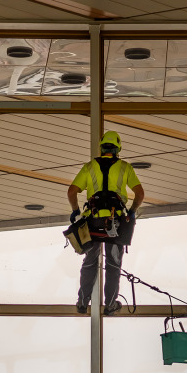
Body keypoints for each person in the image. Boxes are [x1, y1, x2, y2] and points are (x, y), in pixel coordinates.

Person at [68, 130, 145, 315]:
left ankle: (81, 303)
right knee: (113, 265)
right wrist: (132, 212)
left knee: (89, 262)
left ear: (101, 147)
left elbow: (72, 192)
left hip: (93, 222)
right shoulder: (125, 167)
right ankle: (110, 304)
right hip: (115, 223)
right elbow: (140, 194)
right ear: (118, 149)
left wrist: (76, 211)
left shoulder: (89, 167)